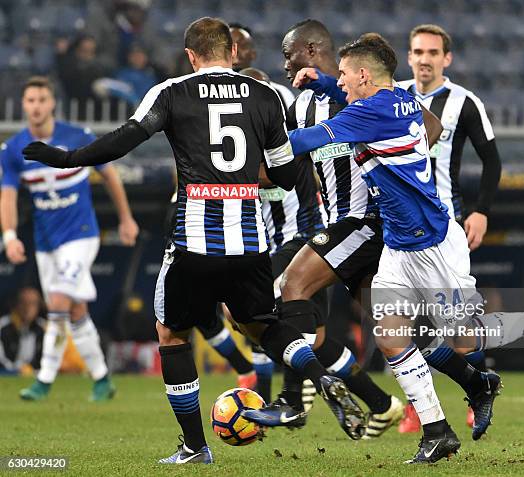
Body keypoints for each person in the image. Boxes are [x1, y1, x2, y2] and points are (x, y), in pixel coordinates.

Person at [22, 18, 366, 465]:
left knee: (170, 333)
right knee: (263, 325)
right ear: (230, 52)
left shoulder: (172, 91)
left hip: (194, 241)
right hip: (250, 242)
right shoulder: (264, 96)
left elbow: (125, 139)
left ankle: (194, 446)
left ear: (190, 55)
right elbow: (284, 171)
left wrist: (68, 158)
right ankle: (319, 377)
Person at [288, 34, 524, 462]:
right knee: (391, 337)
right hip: (397, 244)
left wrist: (252, 137)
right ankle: (437, 430)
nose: (343, 81)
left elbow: (302, 142)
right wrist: (326, 83)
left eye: (346, 75)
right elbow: (430, 126)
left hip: (434, 245)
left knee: (464, 341)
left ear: (365, 75)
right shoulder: (399, 100)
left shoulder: (371, 112)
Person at [245, 20, 403, 440]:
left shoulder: (369, 93)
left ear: (312, 50)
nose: (285, 64)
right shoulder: (300, 106)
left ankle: (293, 402)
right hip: (337, 230)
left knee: (287, 289)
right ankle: (389, 403)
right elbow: (291, 166)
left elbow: (430, 128)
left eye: (289, 54)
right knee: (376, 333)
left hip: (371, 224)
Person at [0, 76, 139, 401]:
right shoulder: (13, 149)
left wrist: (126, 217)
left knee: (59, 302)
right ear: (24, 105)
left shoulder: (78, 137)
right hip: (47, 241)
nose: (36, 106)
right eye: (30, 100)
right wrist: (8, 235)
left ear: (52, 104)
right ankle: (103, 380)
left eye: (41, 100)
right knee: (73, 310)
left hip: (80, 235)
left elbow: (109, 175)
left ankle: (43, 380)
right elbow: (6, 196)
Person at [396, 23, 503, 431]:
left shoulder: (464, 102)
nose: (424, 59)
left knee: (454, 319)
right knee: (399, 314)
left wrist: (482, 211)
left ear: (447, 58)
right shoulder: (394, 96)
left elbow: (492, 160)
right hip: (399, 227)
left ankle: (475, 392)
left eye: (432, 52)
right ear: (408, 57)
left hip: (445, 228)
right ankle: (418, 400)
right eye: (418, 51)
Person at [229, 23, 295, 110]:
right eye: (228, 46)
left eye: (243, 46)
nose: (235, 52)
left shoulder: (280, 93)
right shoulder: (206, 91)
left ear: (253, 53)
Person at [0, 287, 45, 375]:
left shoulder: (44, 328)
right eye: (24, 303)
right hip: (7, 374)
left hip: (34, 374)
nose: (27, 308)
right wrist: (16, 370)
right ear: (16, 304)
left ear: (39, 307)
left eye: (33, 303)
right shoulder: (3, 326)